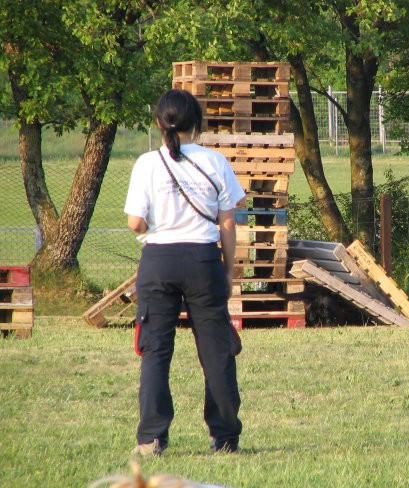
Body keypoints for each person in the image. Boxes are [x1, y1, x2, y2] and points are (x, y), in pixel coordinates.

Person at [124, 89, 246, 456]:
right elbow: (227, 223)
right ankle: (224, 436)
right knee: (216, 352)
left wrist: (153, 227)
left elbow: (135, 223)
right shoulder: (215, 162)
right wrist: (228, 271)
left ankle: (151, 437)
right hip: (203, 261)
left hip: (158, 262)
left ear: (160, 124)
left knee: (156, 351)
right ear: (197, 123)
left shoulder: (147, 164)